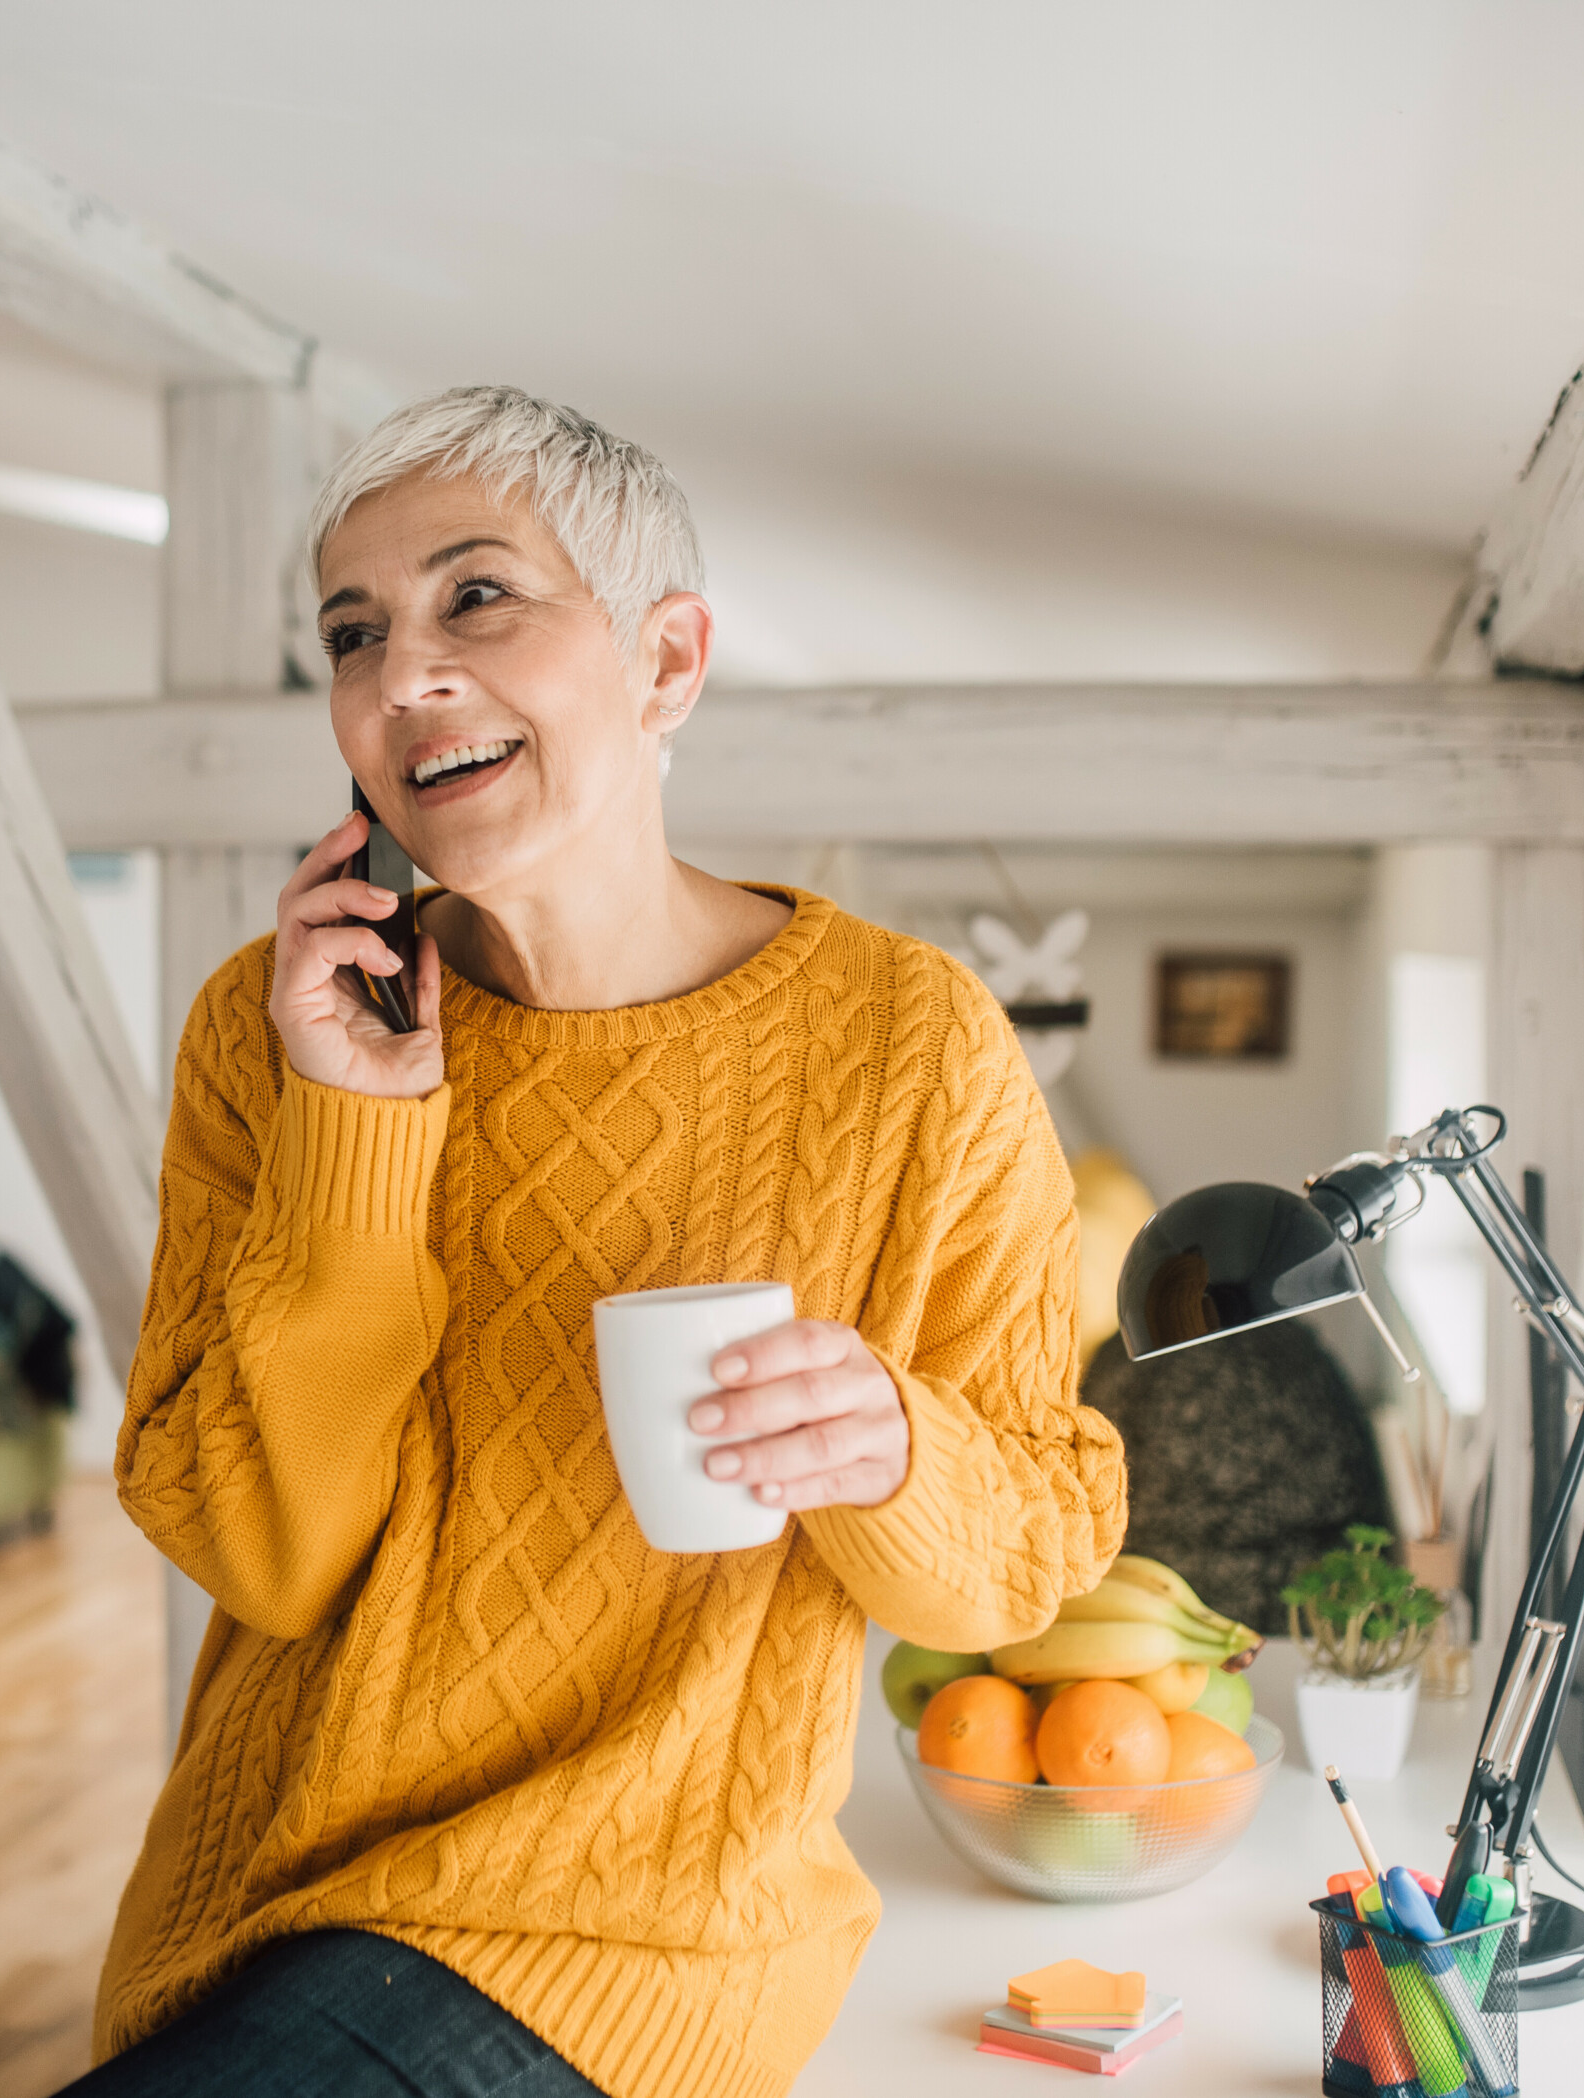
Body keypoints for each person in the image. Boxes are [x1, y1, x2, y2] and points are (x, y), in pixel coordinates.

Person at [68, 386, 1126, 2098]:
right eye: (354, 632)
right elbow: (260, 1557)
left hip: (639, 1944)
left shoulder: (913, 1046)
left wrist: (891, 1447)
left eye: (477, 596)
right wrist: (354, 1124)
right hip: (259, 1916)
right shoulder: (267, 1031)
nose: (404, 675)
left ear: (666, 662)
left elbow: (1031, 1546)